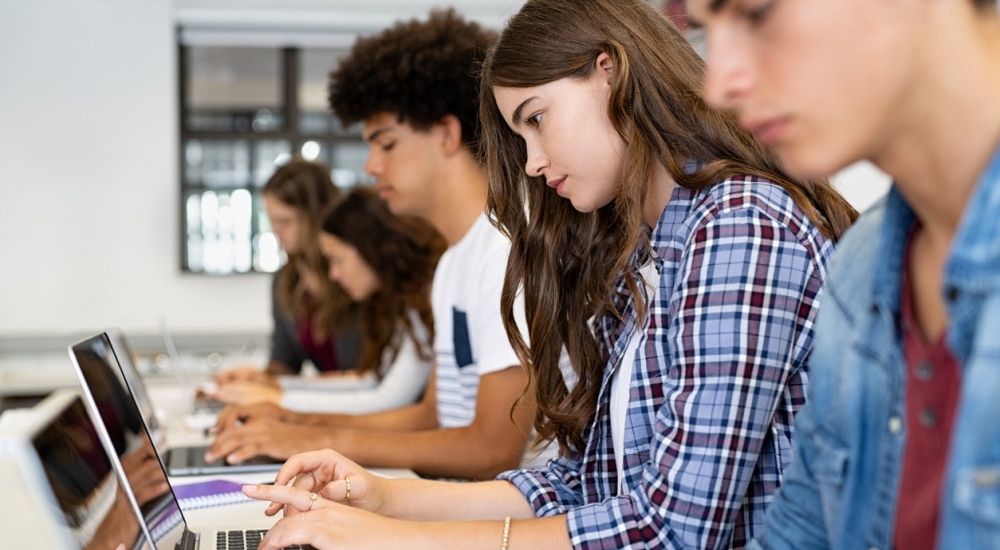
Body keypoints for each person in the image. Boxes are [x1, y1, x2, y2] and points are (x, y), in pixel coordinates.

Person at [236, 0, 859, 548]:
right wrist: (381, 499)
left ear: (609, 72)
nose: (532, 163)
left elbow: (673, 531)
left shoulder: (739, 224)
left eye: (536, 119)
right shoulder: (640, 249)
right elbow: (585, 482)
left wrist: (394, 540)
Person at [684, 0, 1000, 548]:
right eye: (706, 30)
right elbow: (800, 530)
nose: (719, 85)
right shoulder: (861, 267)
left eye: (756, 13)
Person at [205, 8, 551, 481]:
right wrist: (297, 422)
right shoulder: (455, 262)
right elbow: (433, 416)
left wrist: (312, 440)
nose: (370, 166)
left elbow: (492, 449)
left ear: (447, 135)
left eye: (385, 144)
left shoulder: (504, 251)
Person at [212, 186, 446, 414]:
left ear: (369, 249)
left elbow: (389, 399)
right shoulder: (405, 302)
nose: (333, 274)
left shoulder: (426, 298)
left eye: (337, 260)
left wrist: (279, 399)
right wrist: (275, 387)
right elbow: (370, 381)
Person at [214, 157, 361, 389]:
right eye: (272, 221)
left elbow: (370, 379)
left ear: (317, 216)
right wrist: (257, 379)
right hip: (326, 404)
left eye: (285, 221)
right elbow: (285, 362)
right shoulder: (286, 280)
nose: (276, 231)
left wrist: (298, 386)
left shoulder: (356, 275)